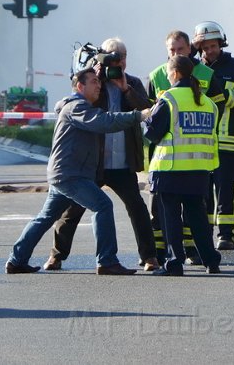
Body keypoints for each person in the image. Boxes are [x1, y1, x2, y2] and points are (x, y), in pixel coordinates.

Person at [5, 67, 150, 276]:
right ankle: (107, 261)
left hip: (65, 174)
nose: (98, 85)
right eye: (93, 82)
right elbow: (105, 121)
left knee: (45, 218)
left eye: (99, 82)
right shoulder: (77, 107)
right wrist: (138, 116)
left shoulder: (80, 106)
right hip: (71, 175)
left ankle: (17, 260)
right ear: (79, 86)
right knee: (102, 205)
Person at [43, 38, 160, 272]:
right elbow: (72, 103)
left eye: (122, 57)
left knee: (137, 208)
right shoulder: (93, 83)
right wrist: (96, 76)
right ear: (101, 58)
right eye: (113, 57)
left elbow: (148, 109)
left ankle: (149, 257)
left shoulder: (133, 82)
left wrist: (125, 88)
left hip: (123, 161)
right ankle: (56, 256)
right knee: (72, 210)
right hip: (95, 162)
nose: (119, 62)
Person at [147, 30, 224, 264]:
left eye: (169, 73)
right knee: (199, 219)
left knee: (171, 218)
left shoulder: (169, 99)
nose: (168, 77)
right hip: (200, 170)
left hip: (170, 169)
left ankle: (174, 262)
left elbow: (152, 133)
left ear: (175, 73)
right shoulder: (208, 103)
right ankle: (211, 260)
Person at [193, 21, 234, 250]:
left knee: (227, 190)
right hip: (201, 143)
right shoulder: (195, 69)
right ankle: (204, 234)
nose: (210, 51)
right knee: (202, 194)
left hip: (228, 142)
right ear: (199, 48)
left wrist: (221, 94)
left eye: (213, 46)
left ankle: (227, 235)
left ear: (221, 43)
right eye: (205, 47)